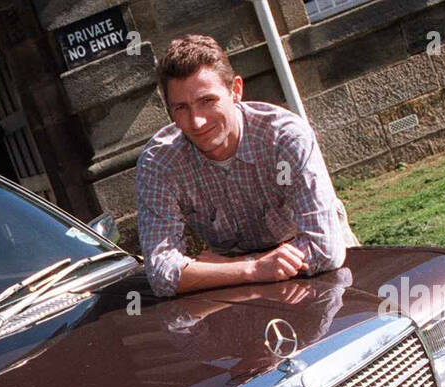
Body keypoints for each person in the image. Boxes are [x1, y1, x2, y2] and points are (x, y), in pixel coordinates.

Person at [136, 33, 357, 297]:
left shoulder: (284, 137)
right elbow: (161, 274)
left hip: (320, 277)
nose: (197, 122)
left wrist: (213, 269)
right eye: (181, 108)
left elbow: (324, 248)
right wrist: (250, 268)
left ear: (236, 90)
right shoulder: (158, 163)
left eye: (207, 101)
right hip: (238, 288)